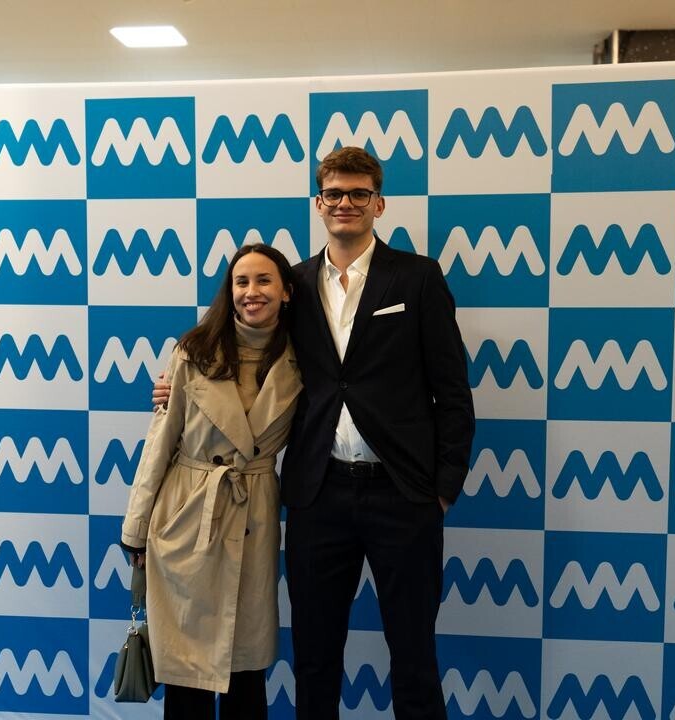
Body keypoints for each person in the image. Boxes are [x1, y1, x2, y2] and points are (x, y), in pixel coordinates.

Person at [156, 147, 475, 719]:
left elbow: (452, 391)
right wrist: (176, 384)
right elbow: (243, 349)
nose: (345, 203)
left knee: (414, 658)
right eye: (334, 193)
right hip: (317, 494)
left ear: (378, 204)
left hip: (404, 496)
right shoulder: (294, 285)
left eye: (358, 193)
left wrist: (443, 489)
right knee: (315, 659)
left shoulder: (418, 278)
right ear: (319, 204)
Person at [121, 243, 301, 720]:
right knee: (188, 673)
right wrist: (135, 529)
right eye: (241, 282)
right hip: (187, 515)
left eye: (264, 280)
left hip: (254, 515)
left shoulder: (304, 359)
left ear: (286, 292)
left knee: (246, 672)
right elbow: (160, 441)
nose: (251, 291)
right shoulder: (195, 350)